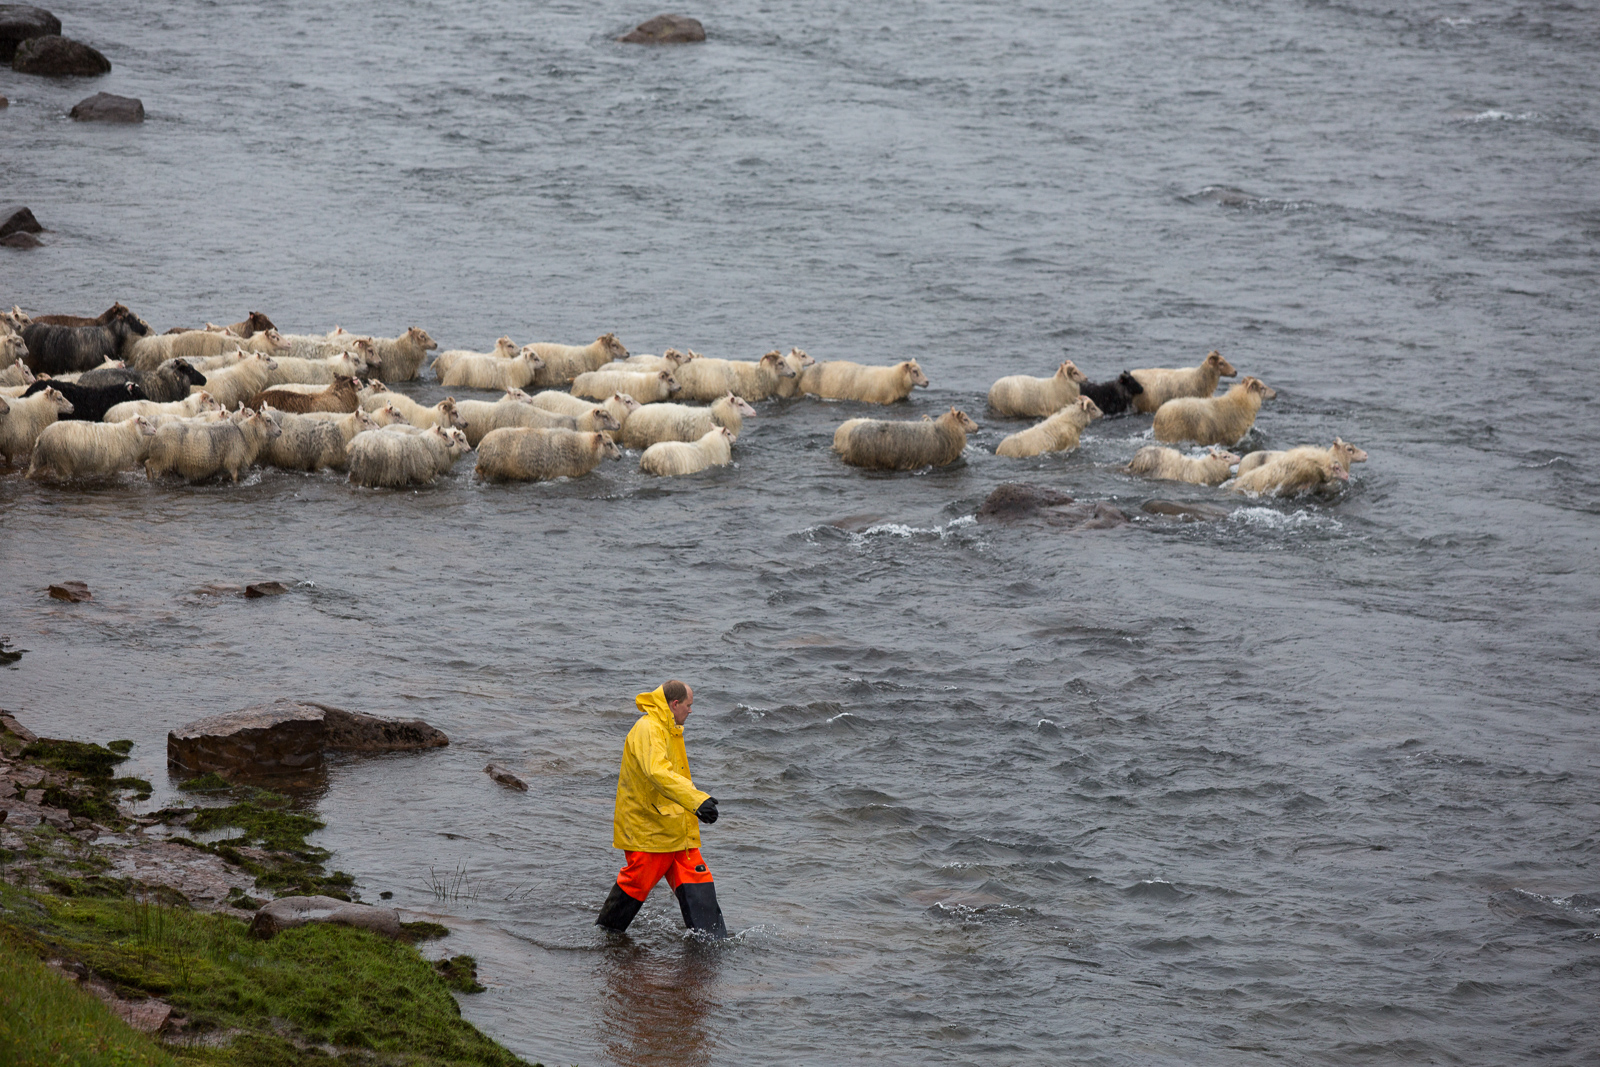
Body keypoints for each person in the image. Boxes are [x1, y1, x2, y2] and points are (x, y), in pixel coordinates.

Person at [595, 679, 727, 937]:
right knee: (636, 883)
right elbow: (658, 773)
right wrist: (696, 801)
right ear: (674, 704)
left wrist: (693, 804)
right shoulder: (649, 729)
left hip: (674, 827)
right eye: (688, 705)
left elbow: (669, 776)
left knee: (698, 880)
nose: (691, 710)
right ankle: (604, 939)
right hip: (650, 830)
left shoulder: (669, 728)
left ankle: (714, 946)